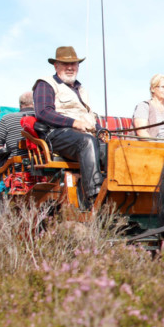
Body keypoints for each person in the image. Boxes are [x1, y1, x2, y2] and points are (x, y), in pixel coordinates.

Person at [32, 46, 106, 211]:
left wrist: (100, 130)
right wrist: (75, 123)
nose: (70, 67)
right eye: (65, 64)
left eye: (73, 63)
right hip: (57, 135)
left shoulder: (81, 89)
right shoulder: (45, 84)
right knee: (86, 142)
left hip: (84, 135)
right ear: (56, 66)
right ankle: (95, 197)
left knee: (114, 150)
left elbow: (89, 116)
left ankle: (118, 192)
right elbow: (43, 112)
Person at [133, 73, 164, 140]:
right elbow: (141, 132)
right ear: (153, 89)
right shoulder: (144, 106)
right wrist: (156, 146)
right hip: (150, 147)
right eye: (163, 87)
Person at [0, 91, 35, 161]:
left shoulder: (7, 119)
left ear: (20, 105)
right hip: (47, 166)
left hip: (16, 166)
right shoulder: (46, 118)